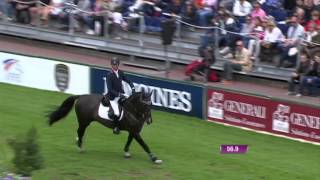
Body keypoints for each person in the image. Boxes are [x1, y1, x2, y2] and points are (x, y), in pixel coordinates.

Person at [106, 57, 135, 134]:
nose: (114, 66)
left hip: (121, 94)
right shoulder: (109, 75)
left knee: (130, 105)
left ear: (118, 65)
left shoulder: (120, 72)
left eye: (116, 65)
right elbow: (110, 89)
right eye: (113, 65)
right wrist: (119, 94)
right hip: (113, 97)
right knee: (117, 113)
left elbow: (128, 80)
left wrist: (132, 87)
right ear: (111, 65)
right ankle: (116, 127)